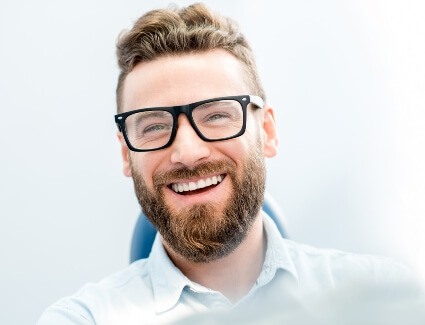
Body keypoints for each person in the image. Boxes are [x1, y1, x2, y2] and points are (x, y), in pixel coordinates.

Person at [38, 3, 419, 324]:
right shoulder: (83, 319)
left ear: (267, 131)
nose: (187, 152)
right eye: (153, 125)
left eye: (217, 116)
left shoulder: (381, 299)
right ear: (126, 153)